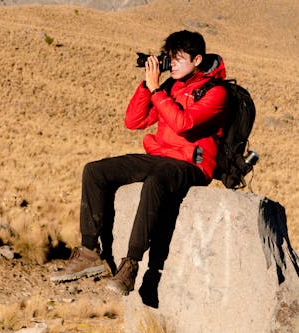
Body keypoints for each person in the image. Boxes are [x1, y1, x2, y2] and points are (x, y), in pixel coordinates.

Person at [50, 30, 228, 297]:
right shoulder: (170, 87)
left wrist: (157, 89)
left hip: (192, 165)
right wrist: (147, 85)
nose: (172, 65)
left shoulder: (216, 92)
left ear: (198, 59)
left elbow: (184, 124)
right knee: (95, 171)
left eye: (179, 59)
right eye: (170, 59)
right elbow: (133, 121)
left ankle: (130, 265)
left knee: (156, 183)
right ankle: (89, 252)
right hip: (160, 157)